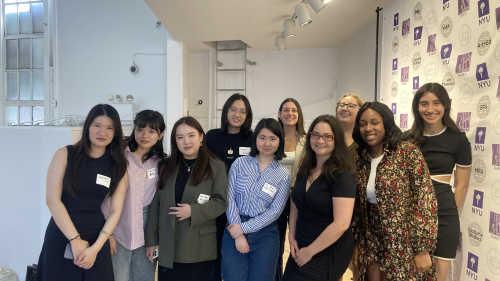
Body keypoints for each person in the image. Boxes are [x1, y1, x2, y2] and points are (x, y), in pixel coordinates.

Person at [36, 104, 128, 281]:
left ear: (116, 132)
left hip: (96, 235)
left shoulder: (119, 165)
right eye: (97, 125)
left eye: (109, 128)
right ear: (87, 127)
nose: (103, 132)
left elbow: (116, 210)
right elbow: (52, 200)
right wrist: (75, 240)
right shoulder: (65, 154)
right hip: (62, 232)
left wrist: (97, 246)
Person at [352, 102, 438, 281]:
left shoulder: (407, 152)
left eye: (374, 122)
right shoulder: (359, 158)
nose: (368, 128)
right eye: (363, 123)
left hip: (402, 239)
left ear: (386, 124)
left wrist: (422, 248)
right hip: (370, 239)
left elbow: (425, 199)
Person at [402, 83, 472, 281]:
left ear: (445, 106)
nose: (430, 109)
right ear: (417, 107)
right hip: (411, 216)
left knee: (438, 277)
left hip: (444, 217)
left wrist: (447, 211)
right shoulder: (405, 139)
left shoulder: (458, 140)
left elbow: (463, 185)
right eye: (424, 104)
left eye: (436, 103)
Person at [145, 116, 228, 281]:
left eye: (191, 135)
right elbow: (156, 205)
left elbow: (221, 202)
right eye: (180, 137)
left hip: (199, 247)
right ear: (175, 140)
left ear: (201, 137)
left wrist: (193, 210)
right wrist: (152, 240)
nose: (186, 141)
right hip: (169, 244)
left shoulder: (216, 166)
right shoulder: (165, 166)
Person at [282, 115, 357, 281]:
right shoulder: (306, 167)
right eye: (315, 135)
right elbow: (296, 205)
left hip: (327, 247)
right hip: (301, 241)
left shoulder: (343, 174)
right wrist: (291, 236)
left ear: (336, 139)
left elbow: (341, 224)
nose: (320, 140)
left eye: (327, 136)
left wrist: (309, 251)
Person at [222, 118, 291, 281]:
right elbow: (229, 197)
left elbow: (274, 212)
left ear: (279, 142)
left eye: (273, 139)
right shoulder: (239, 163)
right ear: (255, 139)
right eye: (262, 137)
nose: (267, 143)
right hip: (234, 226)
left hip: (265, 234)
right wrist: (238, 234)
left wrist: (244, 229)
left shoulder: (283, 175)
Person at [101, 110, 166, 281]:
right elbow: (106, 197)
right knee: (118, 277)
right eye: (140, 129)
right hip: (120, 225)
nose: (145, 135)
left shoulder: (161, 163)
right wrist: (108, 234)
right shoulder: (119, 157)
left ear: (161, 135)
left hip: (149, 228)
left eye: (151, 131)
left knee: (145, 276)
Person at [205, 93, 254, 281]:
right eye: (233, 109)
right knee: (215, 252)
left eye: (242, 111)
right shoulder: (212, 136)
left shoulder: (252, 138)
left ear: (247, 115)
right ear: (226, 111)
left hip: (242, 206)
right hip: (217, 203)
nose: (237, 114)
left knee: (238, 256)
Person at [275, 98, 307, 281]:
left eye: (294, 110)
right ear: (279, 114)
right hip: (276, 197)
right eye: (286, 110)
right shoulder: (274, 139)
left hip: (299, 198)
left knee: (298, 241)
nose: (290, 113)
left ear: (298, 114)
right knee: (277, 244)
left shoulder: (306, 140)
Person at [335, 93, 363, 281]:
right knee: (333, 268)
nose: (345, 108)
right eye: (341, 104)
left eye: (351, 105)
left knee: (357, 266)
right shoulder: (329, 141)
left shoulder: (365, 144)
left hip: (358, 217)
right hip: (331, 215)